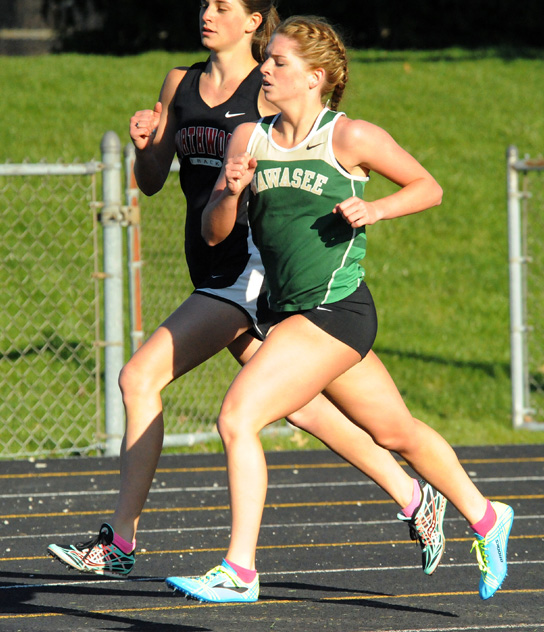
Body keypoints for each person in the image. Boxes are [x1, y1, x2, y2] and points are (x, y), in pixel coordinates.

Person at [47, 0, 449, 582]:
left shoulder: (269, 89)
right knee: (307, 408)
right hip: (209, 267)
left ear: (254, 20)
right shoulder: (180, 82)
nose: (208, 13)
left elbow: (315, 148)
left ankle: (123, 541)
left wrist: (360, 206)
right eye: (205, 3)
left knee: (140, 377)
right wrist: (144, 144)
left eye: (224, 5)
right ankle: (413, 496)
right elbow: (153, 181)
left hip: (249, 272)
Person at [165, 16, 514, 605]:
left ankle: (239, 571)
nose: (266, 70)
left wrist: (374, 209)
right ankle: (486, 516)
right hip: (290, 311)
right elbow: (216, 232)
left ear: (315, 77)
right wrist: (228, 190)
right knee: (394, 431)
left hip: (335, 310)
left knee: (237, 417)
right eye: (267, 60)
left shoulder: (348, 138)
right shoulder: (249, 137)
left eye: (278, 62)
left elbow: (428, 187)